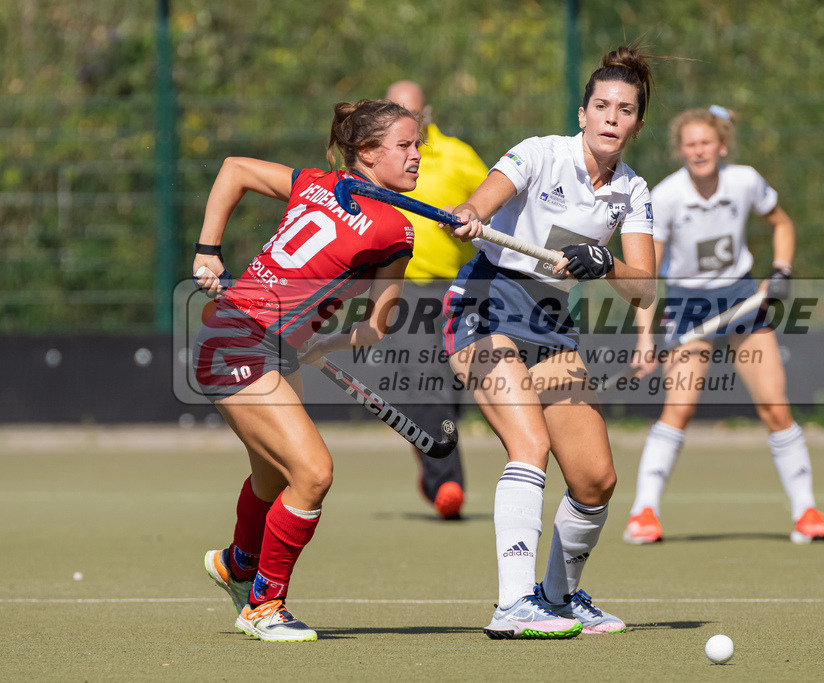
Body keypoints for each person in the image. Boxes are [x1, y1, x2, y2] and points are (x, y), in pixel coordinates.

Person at [445, 46, 657, 639]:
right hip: (486, 302)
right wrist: (470, 211)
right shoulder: (541, 153)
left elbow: (643, 287)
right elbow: (486, 196)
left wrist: (604, 261)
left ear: (638, 124)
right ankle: (513, 605)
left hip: (550, 321)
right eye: (602, 106)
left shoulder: (633, 190)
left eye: (625, 110)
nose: (612, 117)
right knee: (529, 443)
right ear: (582, 113)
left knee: (595, 479)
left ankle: (558, 599)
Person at [192, 99, 421, 642]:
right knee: (314, 473)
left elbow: (234, 169)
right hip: (240, 340)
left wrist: (207, 250)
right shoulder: (396, 230)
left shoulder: (314, 182)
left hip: (263, 344)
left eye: (419, 146)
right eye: (405, 145)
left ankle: (237, 564)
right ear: (368, 152)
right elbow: (376, 327)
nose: (417, 156)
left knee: (275, 477)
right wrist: (207, 253)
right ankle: (263, 606)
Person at [622, 105, 824, 546]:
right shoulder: (666, 196)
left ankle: (807, 512)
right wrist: (645, 338)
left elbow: (781, 223)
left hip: (742, 301)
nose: (698, 151)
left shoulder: (745, 181)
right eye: (690, 144)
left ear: (721, 146)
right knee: (679, 409)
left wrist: (781, 269)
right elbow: (647, 277)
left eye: (706, 143)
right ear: (680, 150)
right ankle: (643, 513)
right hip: (688, 306)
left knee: (775, 407)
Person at [383, 80, 489, 520]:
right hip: (401, 289)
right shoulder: (374, 160)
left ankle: (433, 474)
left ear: (426, 113)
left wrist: (471, 211)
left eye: (411, 112)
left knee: (453, 389)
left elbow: (496, 200)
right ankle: (448, 483)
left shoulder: (457, 156)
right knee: (424, 385)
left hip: (456, 290)